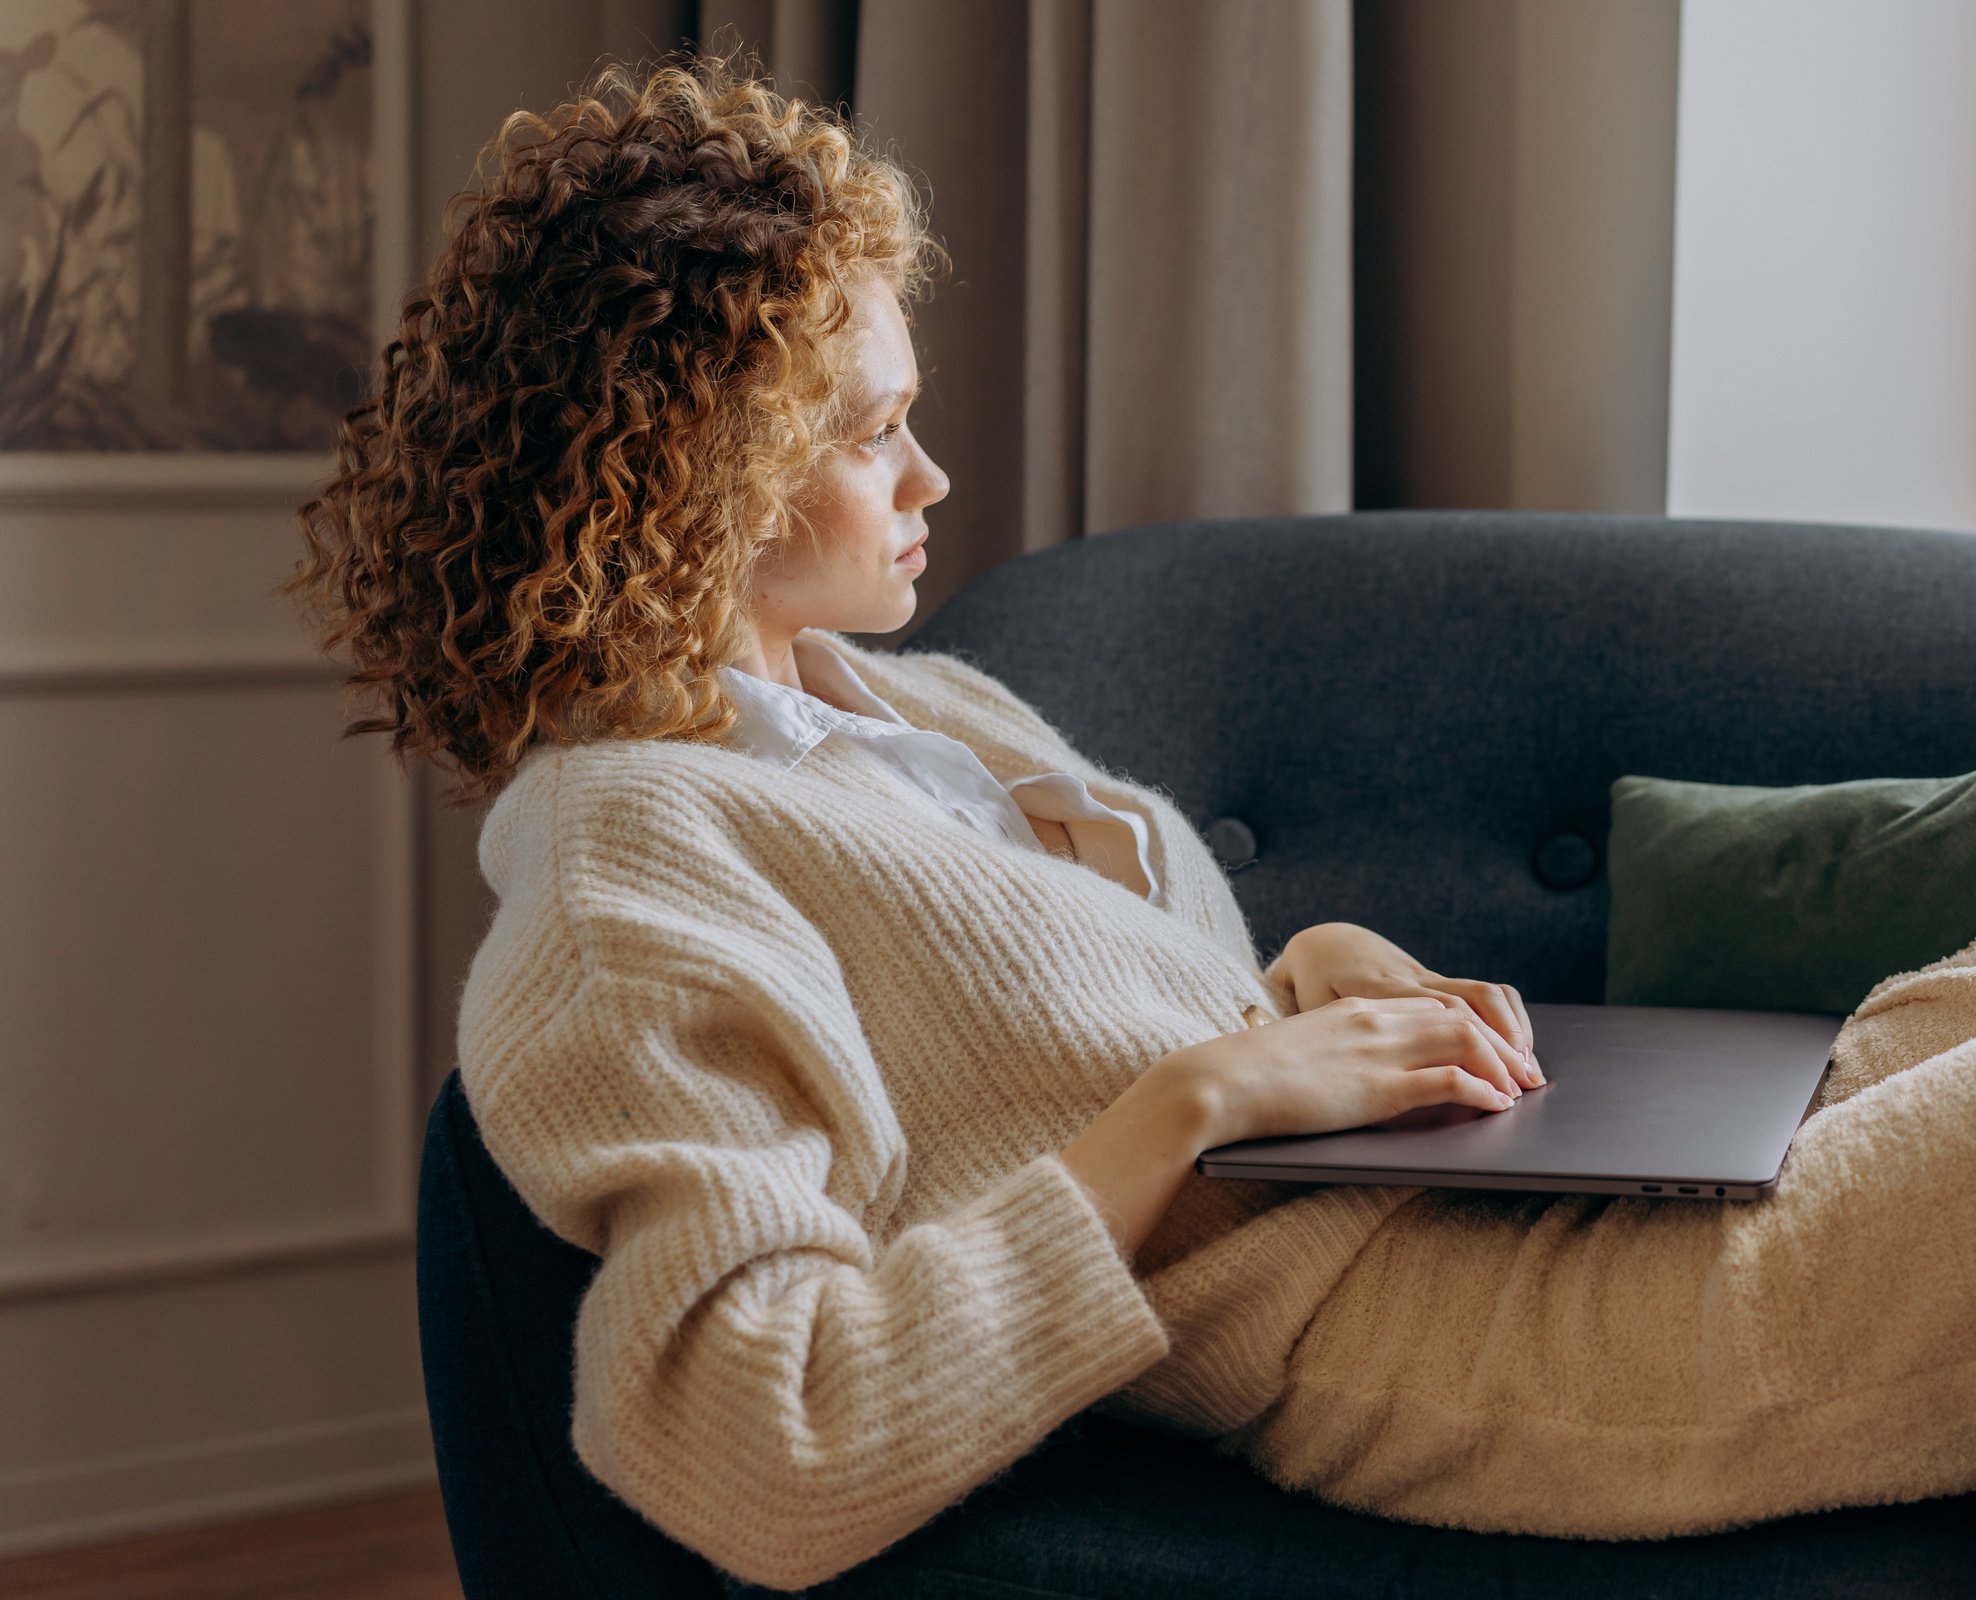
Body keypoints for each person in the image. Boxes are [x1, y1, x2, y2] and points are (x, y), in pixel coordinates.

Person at [287, 57, 1542, 1591]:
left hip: (1457, 1235)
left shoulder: (932, 711)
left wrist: (1309, 980)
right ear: (705, 479)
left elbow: (1055, 1050)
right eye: (873, 433)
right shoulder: (627, 858)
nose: (931, 478)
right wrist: (1200, 1103)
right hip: (1445, 1351)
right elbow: (770, 1443)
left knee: (1922, 1025)